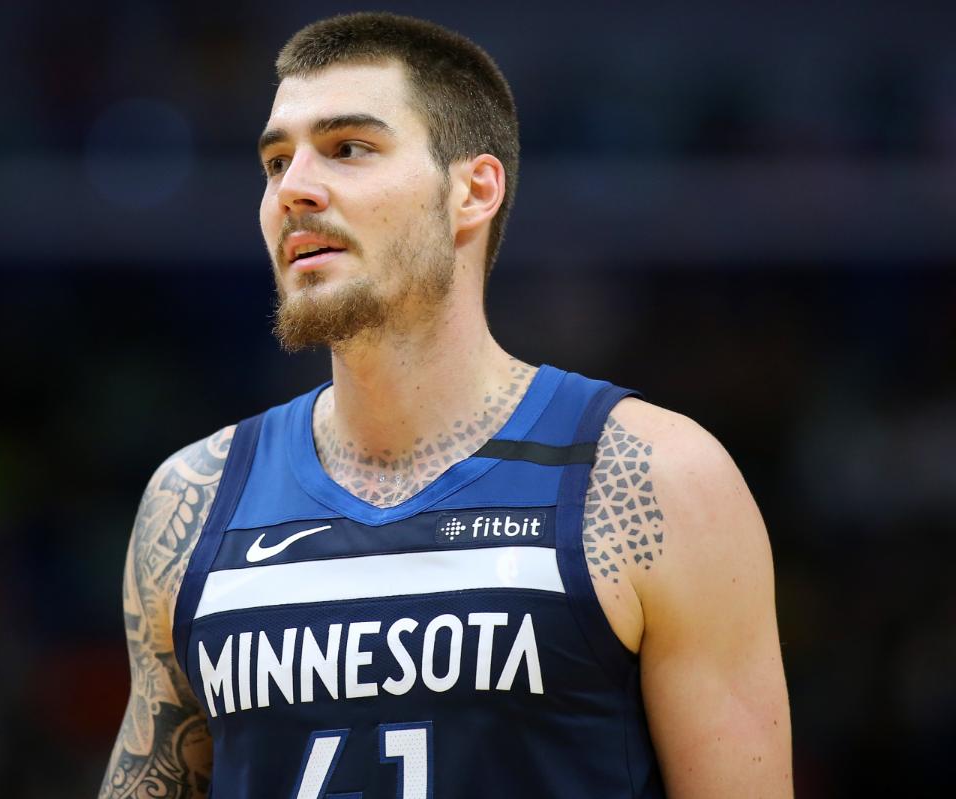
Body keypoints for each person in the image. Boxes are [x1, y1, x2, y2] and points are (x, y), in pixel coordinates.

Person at [99, 12, 791, 799]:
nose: (293, 190)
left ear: (473, 190)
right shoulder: (192, 499)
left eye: (348, 148)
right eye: (276, 161)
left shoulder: (653, 478)